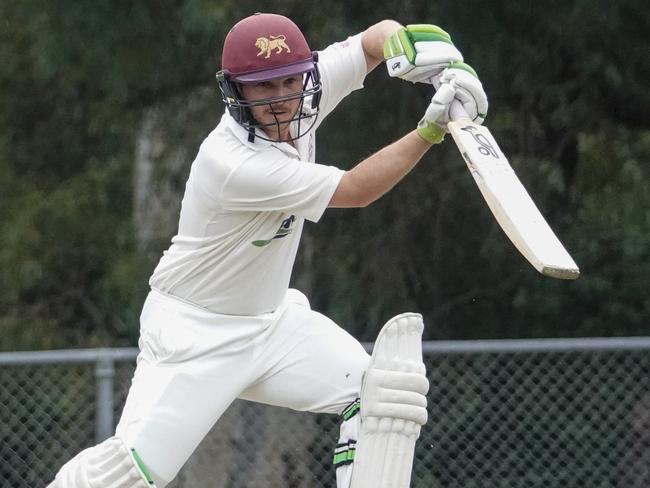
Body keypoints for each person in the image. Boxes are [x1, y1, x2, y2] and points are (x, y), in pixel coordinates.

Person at [48, 12, 487, 488]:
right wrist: (431, 129)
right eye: (262, 88)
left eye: (289, 81)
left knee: (382, 395)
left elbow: (370, 42)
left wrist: (410, 51)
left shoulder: (305, 88)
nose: (281, 99)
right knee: (129, 475)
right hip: (195, 336)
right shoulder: (231, 162)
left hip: (273, 326)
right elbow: (357, 190)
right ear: (236, 91)